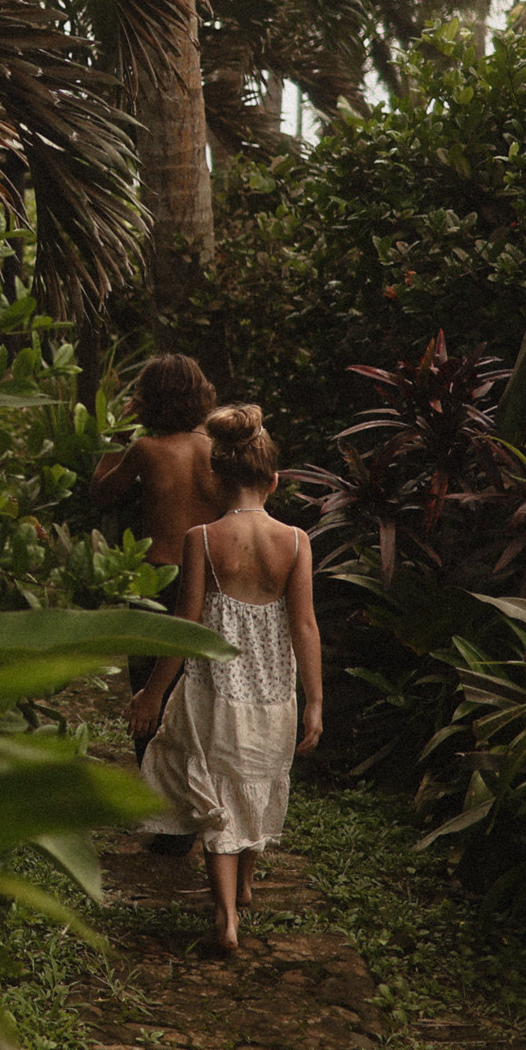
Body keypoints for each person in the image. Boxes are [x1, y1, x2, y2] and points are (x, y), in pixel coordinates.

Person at [126, 404, 323, 955]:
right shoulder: (297, 540)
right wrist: (315, 700)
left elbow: (185, 627)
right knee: (255, 781)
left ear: (216, 478)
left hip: (216, 686)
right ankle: (250, 884)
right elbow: (304, 624)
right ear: (274, 480)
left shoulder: (202, 539)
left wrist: (152, 692)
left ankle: (225, 915)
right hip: (272, 689)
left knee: (216, 789)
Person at [90, 354, 225, 857]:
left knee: (149, 697)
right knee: (198, 696)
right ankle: (195, 808)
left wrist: (117, 431)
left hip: (158, 580)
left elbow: (101, 493)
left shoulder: (145, 449)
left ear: (149, 399)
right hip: (210, 581)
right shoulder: (217, 448)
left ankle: (170, 818)